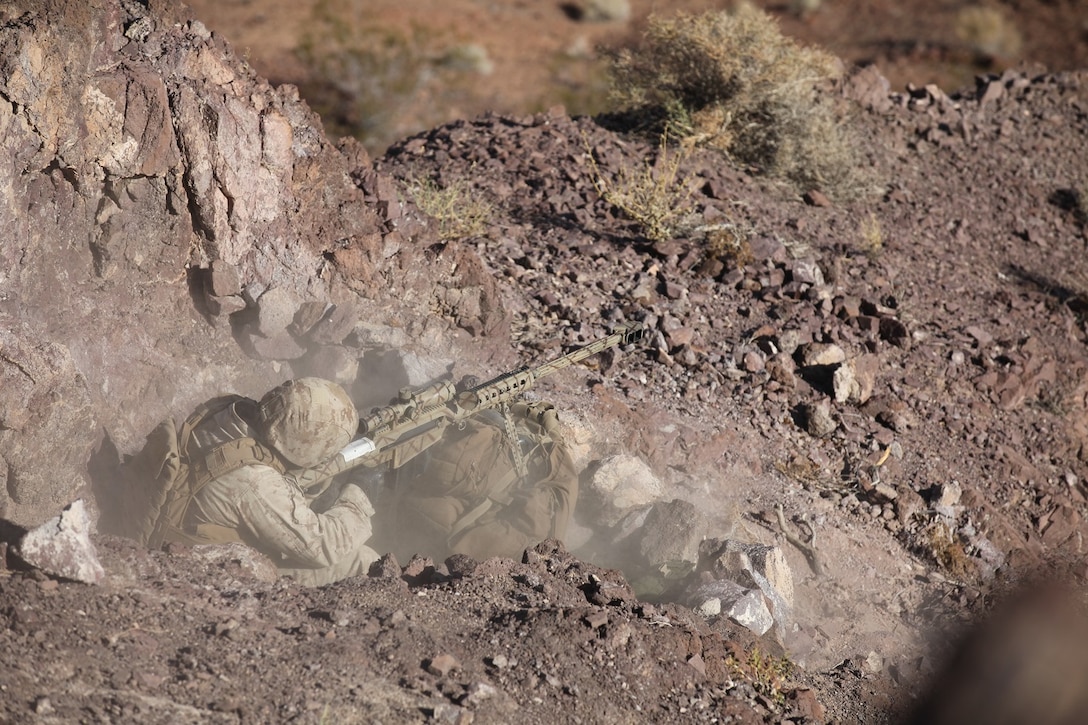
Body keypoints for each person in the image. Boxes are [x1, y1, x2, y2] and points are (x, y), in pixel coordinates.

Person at [119, 377, 379, 587]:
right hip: (202, 575)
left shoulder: (228, 412)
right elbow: (325, 546)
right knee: (363, 560)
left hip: (170, 526)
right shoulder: (254, 483)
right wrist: (361, 489)